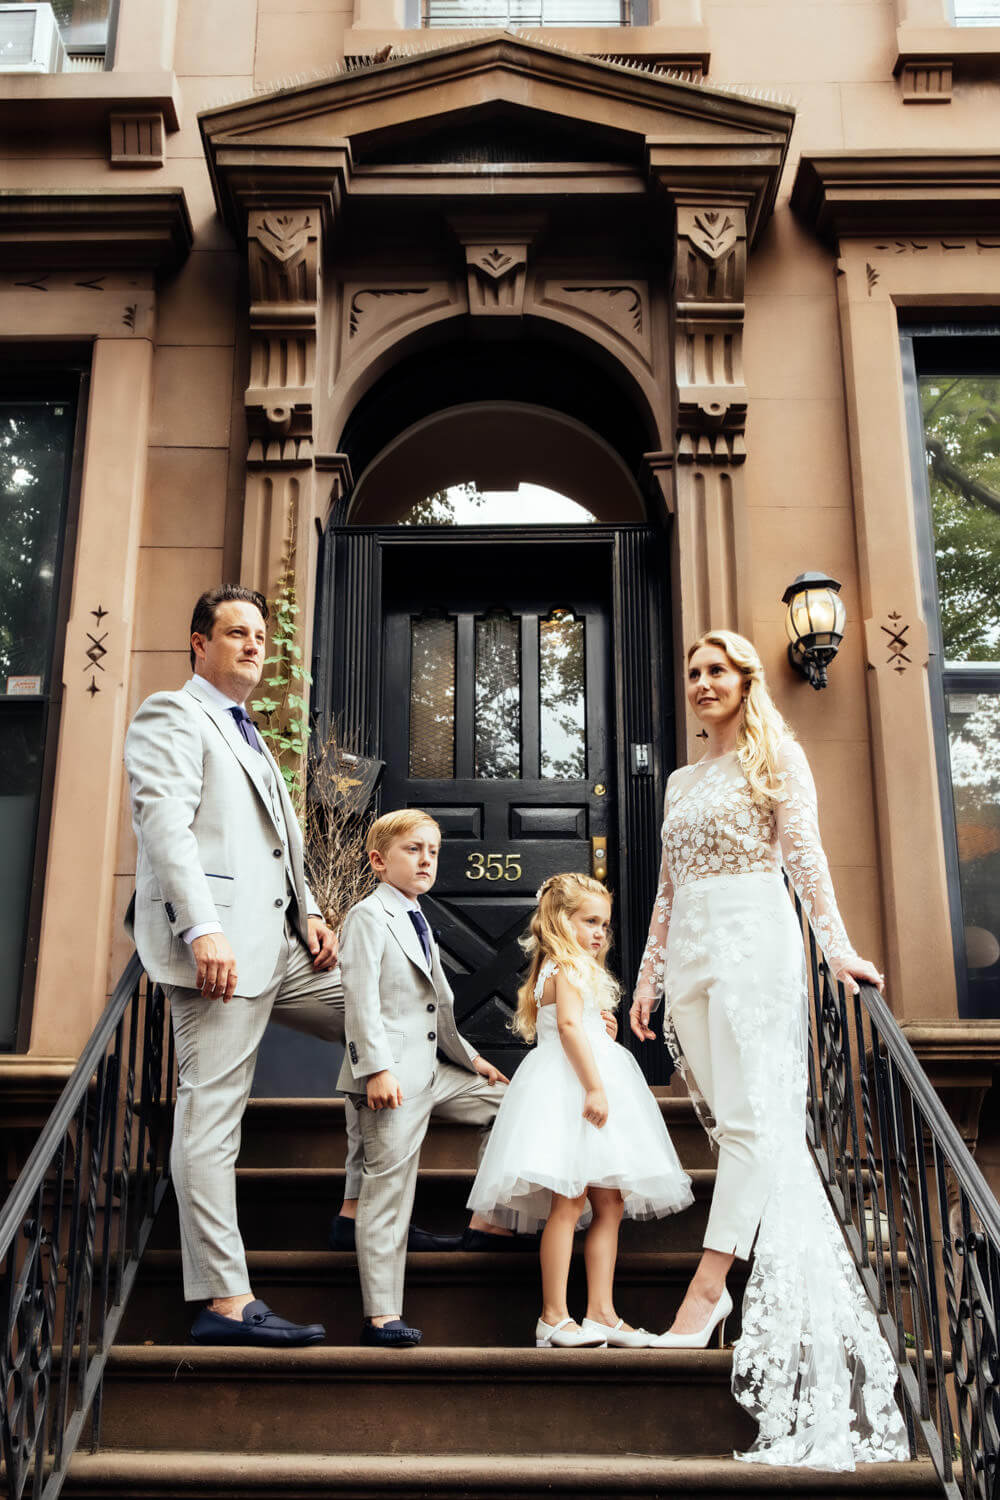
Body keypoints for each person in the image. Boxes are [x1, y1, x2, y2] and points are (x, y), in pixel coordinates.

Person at [630, 629, 908, 1467]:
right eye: (693, 673)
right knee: (742, 1129)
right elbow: (667, 886)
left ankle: (704, 1296)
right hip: (692, 955)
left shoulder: (778, 759)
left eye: (717, 671)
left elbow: (810, 862)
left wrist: (838, 950)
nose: (702, 683)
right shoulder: (681, 778)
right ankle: (718, 1293)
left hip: (756, 937)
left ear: (749, 681)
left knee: (754, 1126)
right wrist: (647, 976)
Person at [124, 584, 361, 1347]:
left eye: (261, 634)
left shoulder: (249, 731)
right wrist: (201, 929)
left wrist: (313, 910)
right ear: (199, 643)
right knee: (211, 1118)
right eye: (236, 633)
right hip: (217, 956)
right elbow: (167, 827)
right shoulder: (173, 714)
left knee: (384, 1016)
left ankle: (362, 1206)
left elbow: (272, 845)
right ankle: (225, 1298)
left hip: (283, 948)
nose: (254, 645)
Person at [469, 873, 693, 1349]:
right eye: (589, 921)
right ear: (558, 920)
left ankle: (601, 1313)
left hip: (597, 1078)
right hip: (570, 1090)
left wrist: (601, 1030)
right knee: (568, 1202)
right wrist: (593, 1086)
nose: (599, 933)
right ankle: (552, 1316)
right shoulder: (563, 967)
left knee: (609, 1202)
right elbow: (568, 1029)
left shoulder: (579, 970)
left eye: (604, 925)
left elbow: (581, 1025)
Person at [337, 809, 516, 1348]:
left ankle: (489, 1219)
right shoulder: (369, 917)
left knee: (514, 1103)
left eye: (433, 851)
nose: (426, 860)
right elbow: (361, 1001)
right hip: (391, 1075)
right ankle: (381, 1318)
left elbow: (437, 1010)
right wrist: (374, 1069)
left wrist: (474, 1062)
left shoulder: (417, 916)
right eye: (413, 849)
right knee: (388, 1192)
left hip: (437, 1069)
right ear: (378, 859)